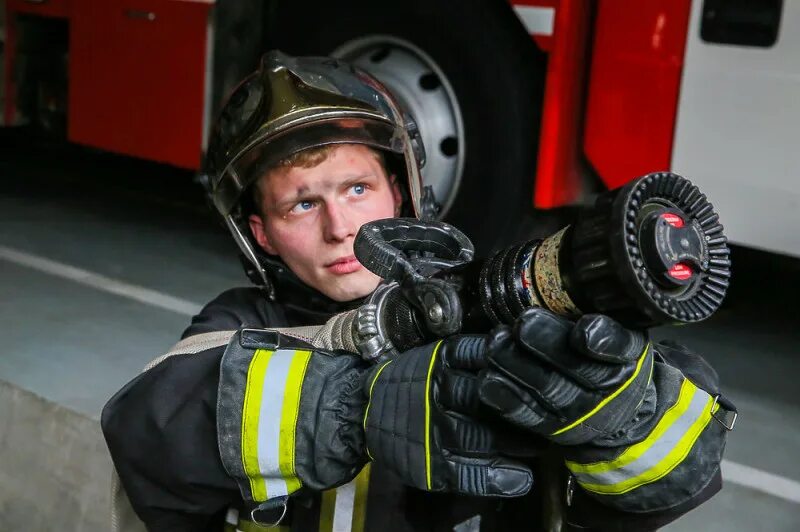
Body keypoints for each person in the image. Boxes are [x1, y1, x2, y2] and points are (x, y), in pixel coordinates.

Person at [102, 51, 735, 532]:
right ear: (261, 236)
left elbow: (674, 478)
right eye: (301, 204)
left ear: (400, 193)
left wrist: (620, 416)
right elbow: (148, 432)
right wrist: (354, 410)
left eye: (356, 188)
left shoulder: (501, 317)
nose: (339, 227)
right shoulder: (240, 327)